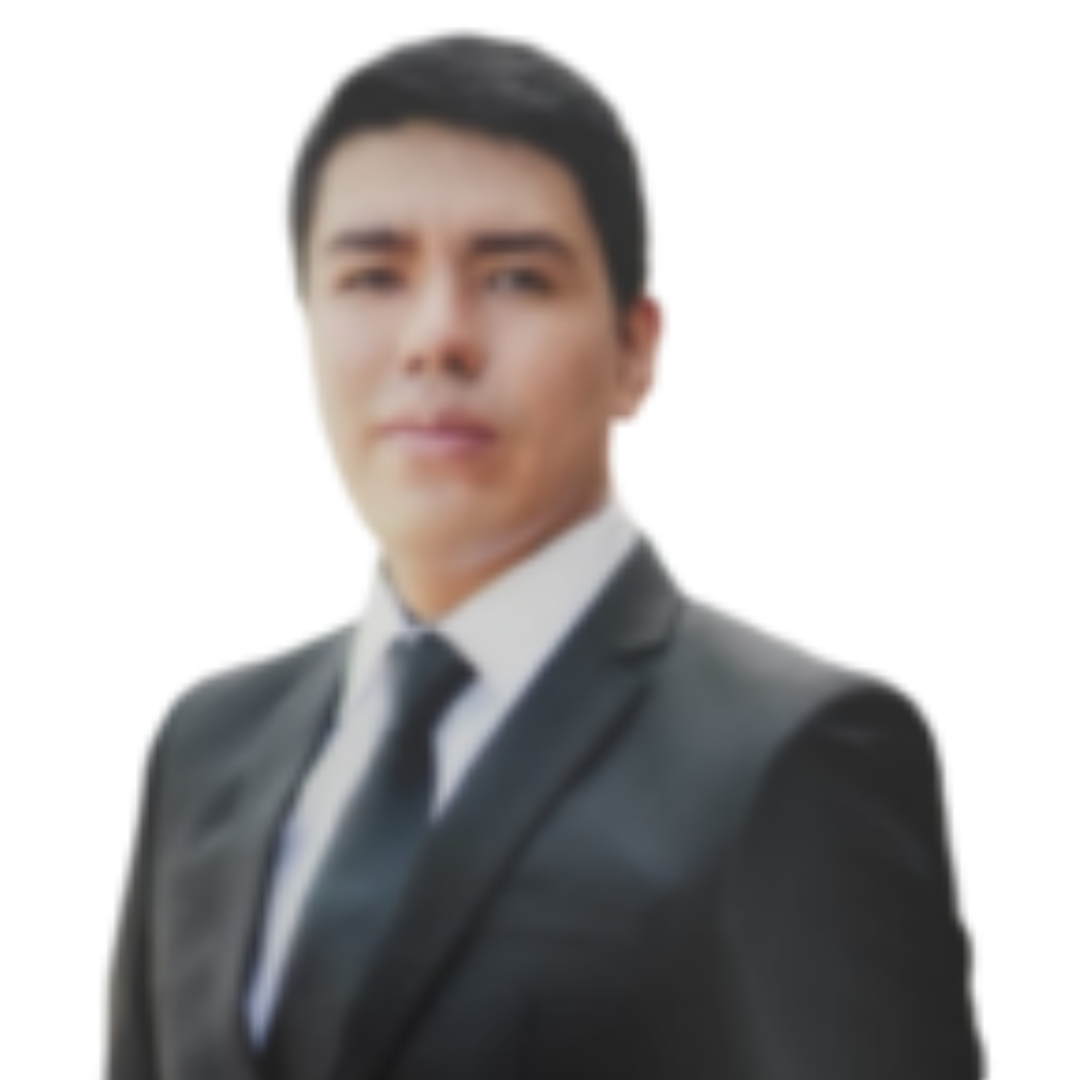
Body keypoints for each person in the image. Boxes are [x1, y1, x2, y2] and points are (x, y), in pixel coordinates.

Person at [107, 33, 983, 1080]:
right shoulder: (207, 750)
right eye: (373, 276)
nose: (436, 337)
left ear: (633, 351)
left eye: (516, 277)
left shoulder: (794, 759)